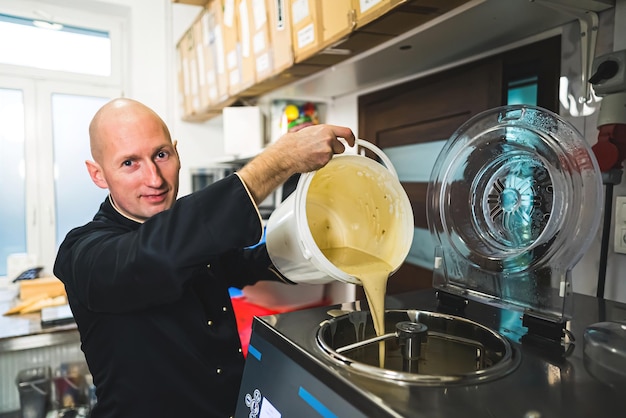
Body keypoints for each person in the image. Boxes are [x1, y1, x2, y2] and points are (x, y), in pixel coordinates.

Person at [53, 98, 355, 417]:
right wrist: (279, 161)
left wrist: (324, 242)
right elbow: (152, 258)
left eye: (161, 154)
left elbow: (249, 261)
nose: (155, 179)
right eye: (129, 163)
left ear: (176, 152)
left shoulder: (191, 234)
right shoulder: (83, 252)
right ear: (98, 174)